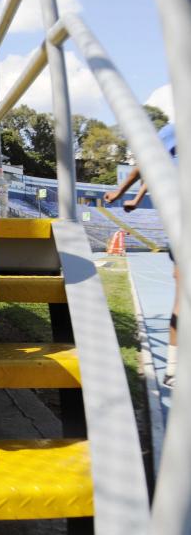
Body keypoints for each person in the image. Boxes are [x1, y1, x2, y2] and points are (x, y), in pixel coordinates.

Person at [104, 122, 179, 386]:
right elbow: (147, 166)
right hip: (183, 222)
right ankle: (172, 368)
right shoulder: (175, 130)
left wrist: (134, 200)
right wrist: (125, 194)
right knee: (183, 291)